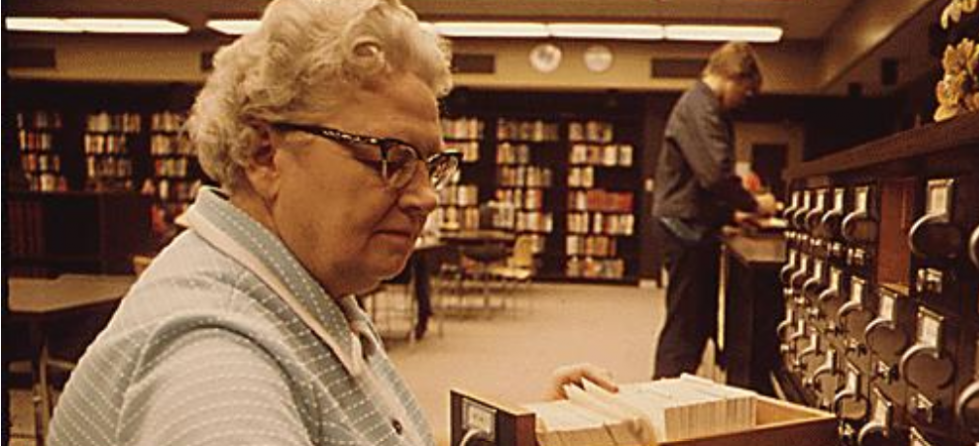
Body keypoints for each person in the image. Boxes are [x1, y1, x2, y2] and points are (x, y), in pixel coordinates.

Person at [46, 0, 614, 444]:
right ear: (264, 154)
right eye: (388, 157)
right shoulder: (212, 361)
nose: (425, 198)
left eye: (430, 165)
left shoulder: (292, 288)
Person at [651, 41, 775, 379]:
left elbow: (700, 180)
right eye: (745, 91)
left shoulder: (701, 106)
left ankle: (680, 400)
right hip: (684, 228)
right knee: (686, 327)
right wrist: (755, 204)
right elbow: (714, 175)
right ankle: (665, 403)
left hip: (690, 223)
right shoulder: (701, 106)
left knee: (697, 321)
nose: (743, 100)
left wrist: (732, 215)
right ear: (734, 77)